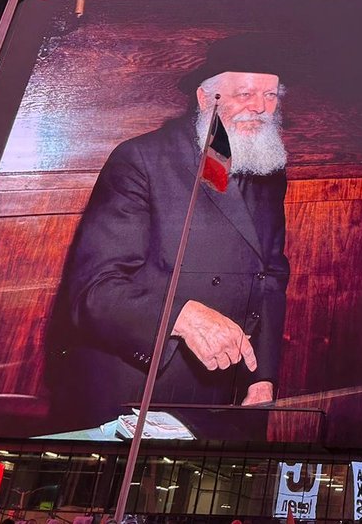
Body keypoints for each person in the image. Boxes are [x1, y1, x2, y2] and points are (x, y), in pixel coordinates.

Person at [46, 34, 291, 435]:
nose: (260, 108)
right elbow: (94, 292)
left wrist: (262, 375)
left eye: (270, 95)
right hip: (134, 390)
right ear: (205, 97)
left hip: (221, 391)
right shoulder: (140, 160)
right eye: (244, 93)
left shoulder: (269, 170)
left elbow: (272, 277)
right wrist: (182, 315)